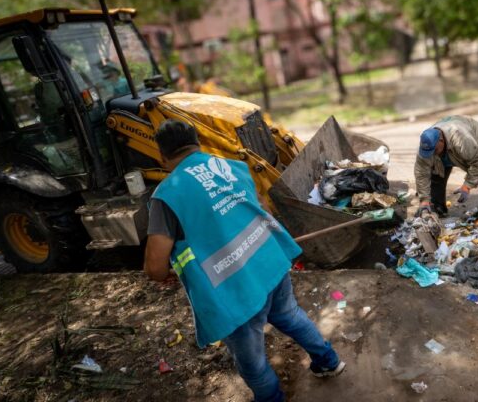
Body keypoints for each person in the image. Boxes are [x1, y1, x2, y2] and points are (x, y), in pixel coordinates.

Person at [144, 119, 344, 402]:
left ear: (161, 155)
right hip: (269, 261)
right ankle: (329, 362)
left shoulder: (167, 195)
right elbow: (262, 208)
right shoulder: (232, 167)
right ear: (197, 143)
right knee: (289, 315)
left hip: (233, 288)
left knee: (253, 363)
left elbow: (155, 267)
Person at [414, 115, 478, 216]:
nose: (432, 154)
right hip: (448, 132)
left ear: (441, 140)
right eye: (429, 152)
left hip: (470, 132)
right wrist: (424, 200)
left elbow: (477, 163)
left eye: (434, 150)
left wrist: (467, 186)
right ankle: (437, 207)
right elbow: (421, 173)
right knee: (436, 171)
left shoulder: (462, 140)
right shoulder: (427, 144)